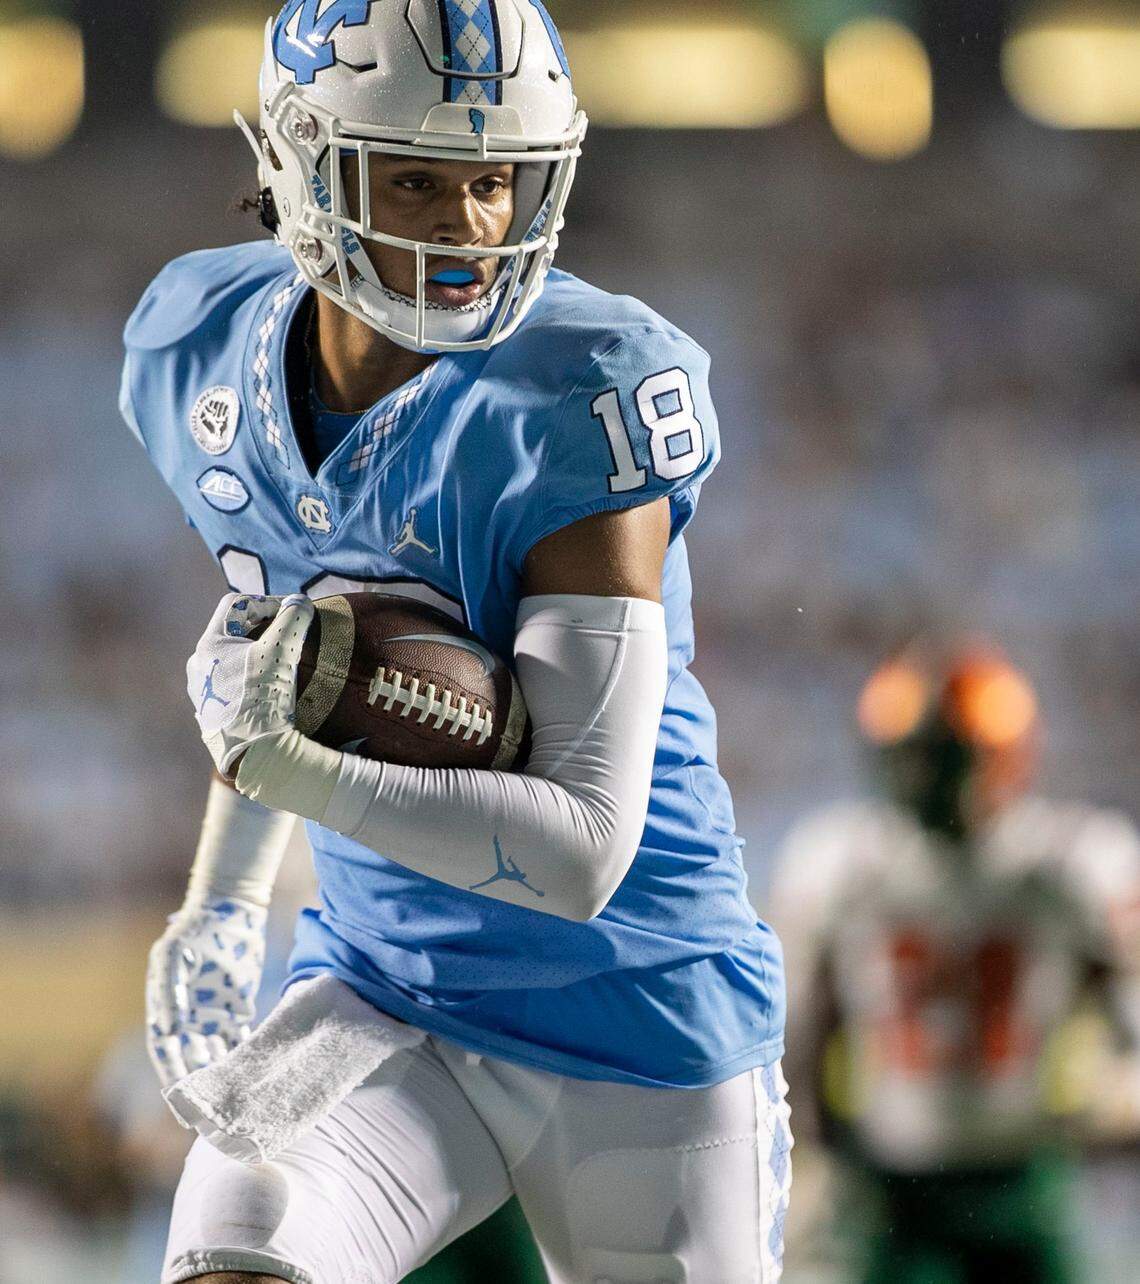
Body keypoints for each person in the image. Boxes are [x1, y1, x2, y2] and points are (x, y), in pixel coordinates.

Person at [120, 3, 790, 1281]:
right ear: (299, 164)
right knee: (232, 1258)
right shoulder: (197, 348)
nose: (471, 226)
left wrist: (283, 772)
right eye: (418, 178)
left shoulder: (581, 387)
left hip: (638, 1013)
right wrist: (219, 903)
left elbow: (584, 851)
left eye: (494, 180)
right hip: (385, 990)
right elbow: (302, 680)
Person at [770, 643, 1140, 1283]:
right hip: (888, 1182)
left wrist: (1119, 1079)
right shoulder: (842, 864)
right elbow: (799, 1027)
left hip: (1023, 1175)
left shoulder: (1068, 863)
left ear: (1003, 758)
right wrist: (806, 1152)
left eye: (941, 758)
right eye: (908, 757)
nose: (922, 780)